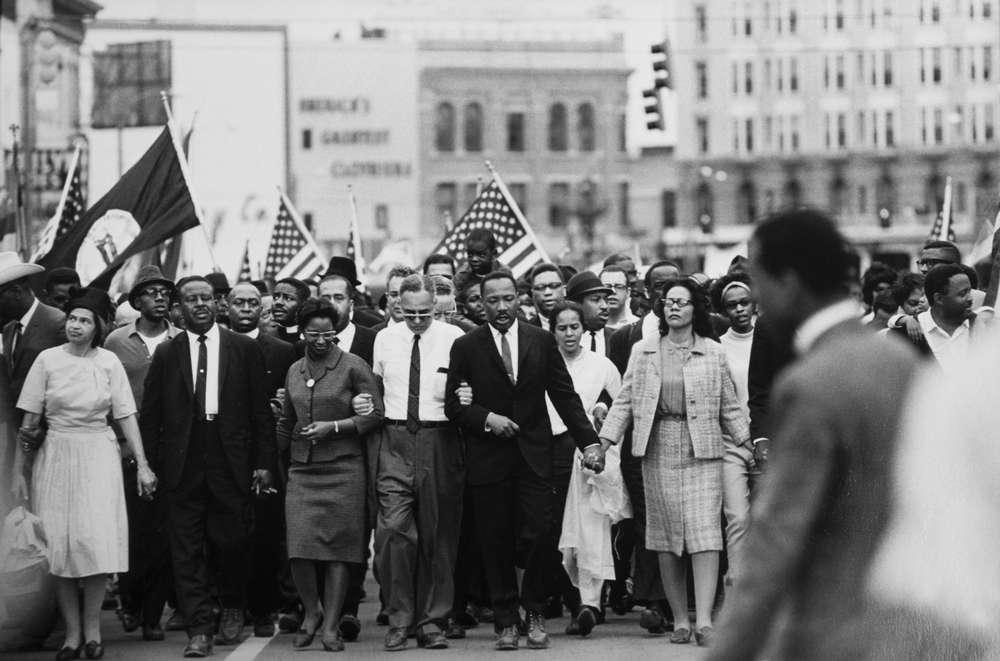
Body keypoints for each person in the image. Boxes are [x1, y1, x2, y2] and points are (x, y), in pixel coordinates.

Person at [708, 209, 919, 661]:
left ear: (787, 283)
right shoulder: (898, 362)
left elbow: (775, 541)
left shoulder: (810, 383)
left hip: (832, 631)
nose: (755, 296)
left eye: (757, 280)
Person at [444, 271, 607, 651]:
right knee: (495, 540)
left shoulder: (541, 340)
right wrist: (487, 419)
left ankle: (534, 609)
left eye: (507, 299)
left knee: (540, 531)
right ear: (482, 303)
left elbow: (564, 397)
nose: (501, 308)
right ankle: (505, 621)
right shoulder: (466, 347)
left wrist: (590, 444)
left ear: (519, 299)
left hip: (535, 456)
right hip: (488, 459)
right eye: (492, 301)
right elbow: (454, 405)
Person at [599, 275, 749, 648]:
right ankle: (680, 619)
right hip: (658, 445)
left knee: (705, 535)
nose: (674, 307)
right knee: (666, 537)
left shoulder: (713, 351)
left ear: (696, 308)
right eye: (669, 301)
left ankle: (706, 622)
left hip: (704, 448)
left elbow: (729, 407)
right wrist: (602, 443)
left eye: (682, 301)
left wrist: (749, 444)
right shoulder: (645, 351)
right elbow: (625, 401)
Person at [11, 287, 157, 661]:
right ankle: (71, 635)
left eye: (84, 320)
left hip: (98, 455)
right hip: (56, 454)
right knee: (59, 547)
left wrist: (142, 465)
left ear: (97, 327)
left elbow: (126, 415)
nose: (75, 326)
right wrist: (19, 472)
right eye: (72, 318)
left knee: (93, 544)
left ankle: (92, 631)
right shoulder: (47, 360)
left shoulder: (108, 363)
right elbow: (28, 422)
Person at [140, 275, 275, 658]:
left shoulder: (241, 349)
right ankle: (199, 628)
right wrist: (148, 465)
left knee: (231, 541)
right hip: (182, 461)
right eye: (191, 299)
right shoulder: (168, 353)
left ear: (217, 305)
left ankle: (232, 605)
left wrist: (264, 463)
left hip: (229, 457)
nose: (200, 304)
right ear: (179, 308)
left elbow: (260, 412)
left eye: (206, 298)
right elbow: (151, 415)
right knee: (185, 548)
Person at [277, 298, 384, 652]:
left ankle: (332, 624)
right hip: (303, 471)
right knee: (300, 550)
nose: (321, 341)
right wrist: (265, 460)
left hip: (344, 469)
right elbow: (286, 422)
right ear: (302, 332)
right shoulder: (294, 370)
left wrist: (334, 427)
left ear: (336, 332)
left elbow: (375, 415)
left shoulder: (353, 366)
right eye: (313, 334)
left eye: (328, 334)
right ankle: (311, 613)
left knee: (339, 551)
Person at [372, 275, 465, 651]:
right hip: (394, 439)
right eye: (408, 313)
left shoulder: (454, 338)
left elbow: (464, 391)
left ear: (436, 304)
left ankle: (431, 621)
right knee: (394, 531)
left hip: (439, 438)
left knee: (437, 534)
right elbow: (376, 387)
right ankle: (399, 619)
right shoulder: (384, 338)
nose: (415, 320)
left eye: (423, 314)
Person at [104, 266, 180, 641]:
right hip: (127, 451)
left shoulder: (182, 340)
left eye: (164, 291)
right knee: (132, 531)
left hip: (175, 449)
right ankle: (130, 601)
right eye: (150, 292)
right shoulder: (116, 342)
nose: (160, 297)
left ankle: (153, 615)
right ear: (136, 302)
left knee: (166, 534)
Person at [544, 301, 626, 638]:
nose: (568, 334)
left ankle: (590, 604)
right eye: (561, 328)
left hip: (588, 456)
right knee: (558, 530)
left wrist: (602, 413)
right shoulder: (543, 363)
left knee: (591, 526)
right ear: (553, 332)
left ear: (583, 329)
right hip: (548, 453)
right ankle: (570, 597)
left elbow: (621, 407)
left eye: (574, 327)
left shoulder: (602, 366)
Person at [605, 259, 679, 632]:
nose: (667, 293)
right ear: (647, 292)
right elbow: (621, 398)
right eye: (659, 286)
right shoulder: (626, 338)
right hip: (640, 445)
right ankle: (655, 601)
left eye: (673, 285)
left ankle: (683, 597)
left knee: (678, 516)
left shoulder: (700, 333)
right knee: (650, 518)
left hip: (684, 441)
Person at [227, 282, 298, 638]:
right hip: (225, 452)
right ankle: (231, 607)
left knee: (267, 532)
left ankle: (264, 609)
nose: (245, 308)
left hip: (267, 451)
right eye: (238, 302)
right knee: (227, 533)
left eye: (252, 303)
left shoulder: (282, 351)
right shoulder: (217, 346)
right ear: (227, 307)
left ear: (263, 310)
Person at [0, 254, 66, 517]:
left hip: (50, 440)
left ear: (15, 292)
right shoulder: (8, 330)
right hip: (19, 442)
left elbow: (67, 385)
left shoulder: (57, 323)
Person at [708, 273, 759, 587]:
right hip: (729, 442)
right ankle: (736, 584)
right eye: (732, 305)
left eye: (744, 303)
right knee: (737, 517)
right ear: (723, 311)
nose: (739, 309)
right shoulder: (717, 348)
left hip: (767, 439)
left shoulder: (770, 339)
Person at [889, 263, 976, 372]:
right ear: (939, 298)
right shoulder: (900, 340)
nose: (970, 299)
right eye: (962, 294)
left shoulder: (985, 327)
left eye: (970, 291)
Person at [323, 256, 383, 329]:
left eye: (338, 297)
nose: (331, 302)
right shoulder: (313, 322)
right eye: (326, 297)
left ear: (352, 292)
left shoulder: (374, 324)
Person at [565, 271, 613, 355]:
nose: (604, 306)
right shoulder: (562, 340)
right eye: (595, 299)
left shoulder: (618, 338)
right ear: (576, 305)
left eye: (605, 299)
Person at [371, 266, 416, 333]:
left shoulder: (427, 333)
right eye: (394, 295)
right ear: (387, 297)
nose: (398, 300)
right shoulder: (373, 335)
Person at [271, 277, 310, 344]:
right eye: (276, 297)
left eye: (288, 298)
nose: (278, 302)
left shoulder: (311, 338)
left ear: (303, 304)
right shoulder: (266, 337)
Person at [527, 263, 566, 328]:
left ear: (564, 290)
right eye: (540, 287)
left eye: (554, 285)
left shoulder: (582, 325)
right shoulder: (524, 331)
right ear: (533, 293)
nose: (547, 292)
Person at [600, 265, 637, 330]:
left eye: (619, 287)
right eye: (607, 287)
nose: (613, 291)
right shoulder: (589, 329)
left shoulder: (638, 326)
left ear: (628, 292)